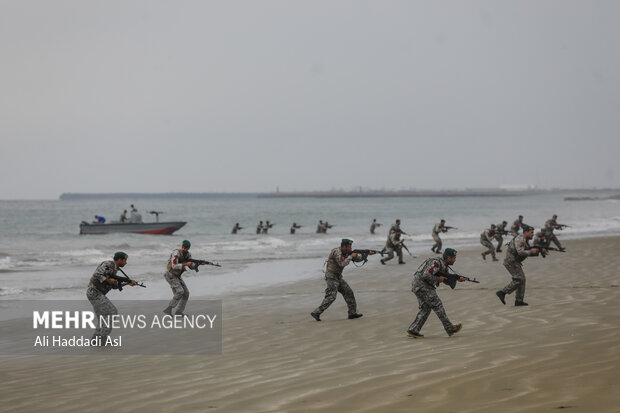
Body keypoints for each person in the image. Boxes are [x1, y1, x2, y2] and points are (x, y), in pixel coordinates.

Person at [406, 248, 463, 338]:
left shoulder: (442, 265)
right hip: (423, 286)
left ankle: (413, 330)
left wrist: (457, 279)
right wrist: (437, 279)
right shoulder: (436, 263)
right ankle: (450, 328)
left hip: (418, 285)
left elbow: (445, 279)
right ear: (448, 258)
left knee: (425, 308)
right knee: (438, 305)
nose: (455, 260)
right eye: (453, 258)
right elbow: (426, 274)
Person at [310, 239, 370, 321]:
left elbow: (356, 259)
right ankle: (316, 312)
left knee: (349, 293)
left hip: (338, 277)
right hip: (331, 277)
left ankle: (352, 313)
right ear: (344, 246)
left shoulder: (346, 253)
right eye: (349, 247)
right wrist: (351, 256)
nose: (351, 248)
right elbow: (342, 264)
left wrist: (365, 255)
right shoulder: (337, 251)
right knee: (331, 296)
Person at [86, 251, 136, 343]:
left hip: (94, 293)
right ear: (120, 260)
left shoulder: (115, 270)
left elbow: (115, 286)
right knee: (112, 312)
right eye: (125, 260)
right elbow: (97, 274)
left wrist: (127, 283)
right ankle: (103, 338)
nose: (126, 262)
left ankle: (96, 339)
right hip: (94, 292)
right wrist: (108, 280)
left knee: (103, 316)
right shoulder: (108, 265)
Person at [496, 225, 543, 306]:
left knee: (522, 280)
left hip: (515, 262)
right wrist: (531, 251)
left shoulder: (525, 240)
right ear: (526, 232)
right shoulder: (520, 239)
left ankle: (519, 301)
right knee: (519, 279)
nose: (533, 234)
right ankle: (502, 292)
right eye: (531, 233)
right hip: (511, 262)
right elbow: (520, 252)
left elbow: (526, 253)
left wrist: (538, 252)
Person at [163, 240, 197, 316]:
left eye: (187, 248)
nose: (185, 249)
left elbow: (191, 267)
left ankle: (179, 312)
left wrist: (197, 265)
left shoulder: (188, 255)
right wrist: (185, 264)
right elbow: (174, 266)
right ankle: (169, 308)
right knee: (180, 291)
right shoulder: (176, 253)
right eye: (184, 248)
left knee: (186, 293)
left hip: (177, 275)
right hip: (170, 274)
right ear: (182, 246)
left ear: (189, 248)